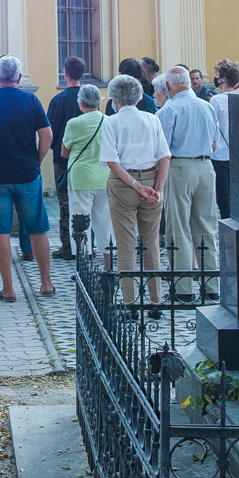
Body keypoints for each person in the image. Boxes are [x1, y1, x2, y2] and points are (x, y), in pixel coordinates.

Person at [0, 55, 55, 303]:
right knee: (37, 228)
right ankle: (46, 284)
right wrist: (36, 160)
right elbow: (47, 135)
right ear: (17, 78)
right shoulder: (30, 99)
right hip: (27, 173)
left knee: (0, 231)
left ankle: (9, 289)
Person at [100, 74, 171, 310]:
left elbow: (112, 161)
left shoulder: (110, 122)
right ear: (138, 98)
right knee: (151, 243)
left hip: (124, 183)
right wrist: (157, 188)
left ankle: (130, 302)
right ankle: (156, 300)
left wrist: (135, 185)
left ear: (115, 101)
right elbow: (165, 156)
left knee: (126, 242)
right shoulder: (152, 119)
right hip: (152, 179)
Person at [157, 66, 221, 301]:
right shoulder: (207, 106)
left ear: (168, 86)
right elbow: (214, 142)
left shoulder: (168, 110)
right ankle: (211, 285)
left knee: (179, 227)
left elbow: (162, 150)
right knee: (206, 225)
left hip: (180, 166)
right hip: (206, 166)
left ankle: (183, 289)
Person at [62, 84, 112, 268]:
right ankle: (108, 265)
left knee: (80, 222)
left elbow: (64, 152)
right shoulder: (109, 121)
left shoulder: (74, 123)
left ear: (81, 103)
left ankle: (84, 267)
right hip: (105, 177)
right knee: (105, 222)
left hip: (81, 178)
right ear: (99, 102)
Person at [45, 56, 87, 260]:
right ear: (83, 73)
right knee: (87, 201)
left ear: (65, 73)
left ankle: (68, 244)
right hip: (89, 158)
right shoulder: (91, 97)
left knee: (65, 203)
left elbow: (50, 132)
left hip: (63, 160)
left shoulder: (58, 100)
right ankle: (86, 244)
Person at [210, 59, 239, 219]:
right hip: (237, 154)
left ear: (223, 79)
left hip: (220, 153)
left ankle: (226, 223)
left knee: (223, 196)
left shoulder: (216, 100)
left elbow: (212, 127)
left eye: (217, 75)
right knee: (236, 193)